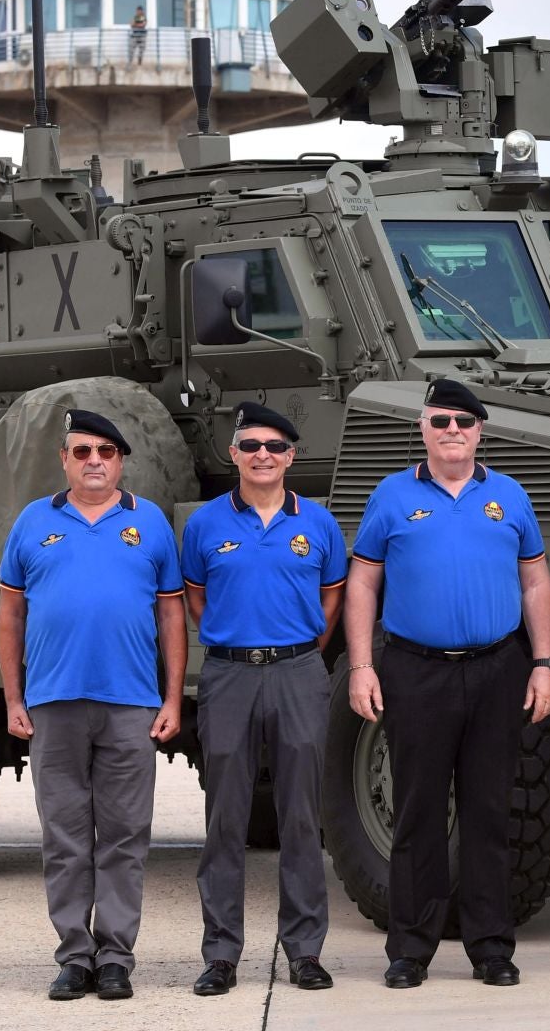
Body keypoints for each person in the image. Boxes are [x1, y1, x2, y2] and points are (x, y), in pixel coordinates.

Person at [344, 378, 550, 989]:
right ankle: (410, 948)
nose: (452, 432)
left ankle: (491, 947)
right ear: (423, 429)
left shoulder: (509, 497)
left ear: (480, 431)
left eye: (463, 422)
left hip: (498, 669)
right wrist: (362, 665)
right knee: (417, 812)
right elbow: (362, 584)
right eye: (440, 421)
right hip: (416, 669)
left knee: (490, 811)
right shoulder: (391, 496)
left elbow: (537, 582)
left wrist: (544, 663)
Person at [0, 409, 185, 1002]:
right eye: (82, 452)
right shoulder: (33, 523)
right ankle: (74, 956)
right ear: (65, 459)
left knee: (127, 834)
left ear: (122, 460)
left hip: (131, 703)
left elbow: (172, 614)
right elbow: (10, 615)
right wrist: (12, 697)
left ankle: (116, 957)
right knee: (66, 836)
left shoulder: (149, 523)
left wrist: (173, 696)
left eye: (105, 451)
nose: (94, 461)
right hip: (53, 703)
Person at [180, 402, 345, 997]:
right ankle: (221, 953)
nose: (262, 455)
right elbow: (196, 601)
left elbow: (331, 600)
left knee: (301, 817)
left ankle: (304, 951)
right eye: (251, 445)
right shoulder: (204, 525)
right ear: (234, 453)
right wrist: (240, 643)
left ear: (291, 455)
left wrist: (295, 648)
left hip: (299, 671)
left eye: (274, 446)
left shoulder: (319, 523)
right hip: (228, 675)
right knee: (225, 817)